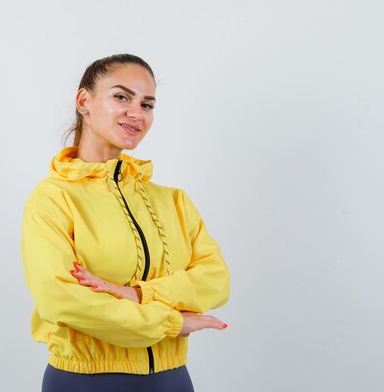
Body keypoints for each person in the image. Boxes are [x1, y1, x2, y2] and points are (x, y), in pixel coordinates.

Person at [21, 54, 230, 392]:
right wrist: (171, 322)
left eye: (147, 104)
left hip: (173, 379)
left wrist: (137, 294)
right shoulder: (53, 199)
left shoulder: (174, 201)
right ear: (84, 101)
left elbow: (216, 281)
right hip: (86, 381)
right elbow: (60, 299)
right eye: (121, 97)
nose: (137, 113)